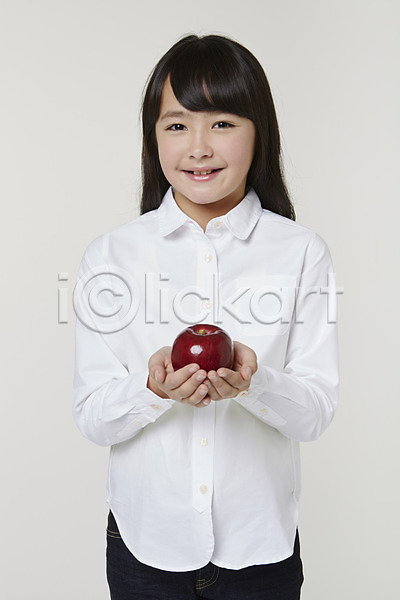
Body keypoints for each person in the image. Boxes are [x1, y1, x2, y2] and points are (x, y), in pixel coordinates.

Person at [73, 33, 339, 600]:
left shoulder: (301, 253)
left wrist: (253, 383)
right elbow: (92, 417)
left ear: (258, 131)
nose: (198, 147)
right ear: (153, 137)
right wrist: (152, 389)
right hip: (144, 547)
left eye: (221, 123)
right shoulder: (111, 256)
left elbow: (315, 413)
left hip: (259, 548)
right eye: (177, 125)